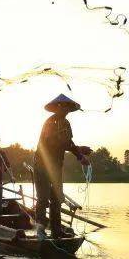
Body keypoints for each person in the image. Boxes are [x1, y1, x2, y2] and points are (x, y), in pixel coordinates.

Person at [34, 94, 91, 240]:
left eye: (68, 108)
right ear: (58, 107)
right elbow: (55, 143)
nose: (66, 110)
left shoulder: (66, 124)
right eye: (64, 107)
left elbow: (68, 142)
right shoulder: (49, 123)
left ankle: (56, 230)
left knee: (57, 198)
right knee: (43, 198)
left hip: (56, 167)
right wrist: (79, 153)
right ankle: (40, 229)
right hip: (42, 165)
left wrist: (79, 151)